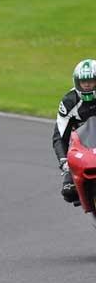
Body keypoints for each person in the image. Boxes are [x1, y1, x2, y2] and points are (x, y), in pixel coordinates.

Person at [53, 59, 96, 203]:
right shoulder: (69, 102)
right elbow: (59, 134)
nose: (87, 85)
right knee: (69, 192)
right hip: (83, 148)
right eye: (83, 82)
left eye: (91, 80)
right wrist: (64, 161)